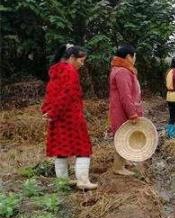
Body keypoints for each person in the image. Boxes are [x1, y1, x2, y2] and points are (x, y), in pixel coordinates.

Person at [41, 45, 97, 190]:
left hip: (57, 118)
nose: (82, 64)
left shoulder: (55, 71)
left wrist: (48, 111)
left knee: (61, 149)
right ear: (72, 58)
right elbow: (66, 95)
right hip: (71, 117)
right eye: (81, 60)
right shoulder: (70, 71)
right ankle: (83, 181)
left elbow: (50, 94)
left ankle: (62, 182)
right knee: (83, 148)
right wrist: (53, 112)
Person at [109, 45, 143, 176]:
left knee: (126, 135)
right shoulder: (122, 72)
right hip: (122, 110)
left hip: (121, 109)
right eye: (134, 56)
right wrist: (132, 113)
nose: (135, 59)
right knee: (122, 137)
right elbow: (125, 95)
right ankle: (118, 167)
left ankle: (124, 161)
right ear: (129, 56)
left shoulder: (121, 69)